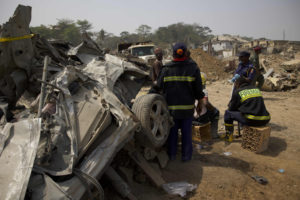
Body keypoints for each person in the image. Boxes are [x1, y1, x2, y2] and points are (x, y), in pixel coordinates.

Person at [152, 43, 205, 161]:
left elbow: (158, 87)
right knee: (186, 135)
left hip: (171, 110)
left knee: (172, 134)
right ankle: (186, 157)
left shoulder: (166, 69)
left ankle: (172, 155)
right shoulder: (193, 68)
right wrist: (200, 104)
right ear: (185, 53)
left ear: (172, 54)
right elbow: (198, 90)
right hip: (187, 110)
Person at [224, 76, 270, 142]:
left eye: (235, 84)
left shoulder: (238, 92)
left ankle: (229, 136)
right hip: (265, 119)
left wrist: (233, 105)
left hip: (252, 120)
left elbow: (231, 108)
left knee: (228, 114)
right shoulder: (256, 89)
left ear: (238, 84)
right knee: (245, 111)